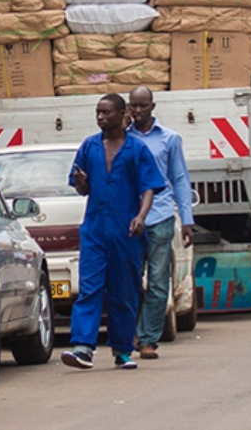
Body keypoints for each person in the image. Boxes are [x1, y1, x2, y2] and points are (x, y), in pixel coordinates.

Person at [62, 94, 166, 371]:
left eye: (106, 112)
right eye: (97, 112)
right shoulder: (89, 147)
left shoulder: (136, 149)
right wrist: (82, 184)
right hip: (95, 231)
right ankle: (83, 346)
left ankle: (121, 350)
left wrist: (141, 217)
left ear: (123, 114)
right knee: (90, 288)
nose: (100, 118)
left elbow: (148, 187)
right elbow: (81, 187)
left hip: (127, 232)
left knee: (124, 291)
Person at [127, 87, 195, 360]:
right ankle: (131, 331)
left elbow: (179, 179)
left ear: (152, 106)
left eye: (143, 105)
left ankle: (148, 339)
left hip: (161, 216)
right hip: (130, 220)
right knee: (131, 279)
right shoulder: (122, 138)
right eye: (134, 106)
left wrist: (187, 220)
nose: (138, 111)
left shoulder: (169, 139)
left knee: (157, 280)